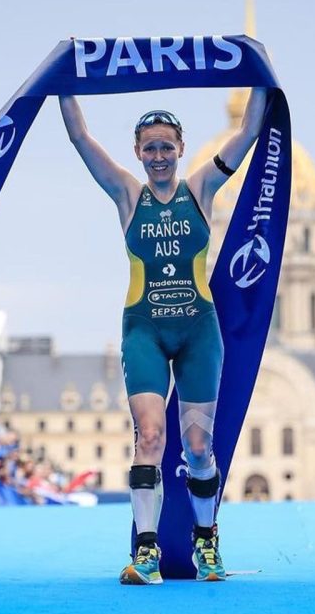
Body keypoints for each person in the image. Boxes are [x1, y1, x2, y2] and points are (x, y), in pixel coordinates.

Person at [59, 88, 267, 585]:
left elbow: (248, 132)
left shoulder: (201, 187)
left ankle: (207, 542)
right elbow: (80, 137)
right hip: (145, 331)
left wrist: (259, 76)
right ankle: (146, 553)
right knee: (149, 435)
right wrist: (63, 83)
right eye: (149, 147)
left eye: (166, 147)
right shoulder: (127, 194)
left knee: (198, 447)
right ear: (137, 152)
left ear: (180, 148)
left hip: (198, 332)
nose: (158, 156)